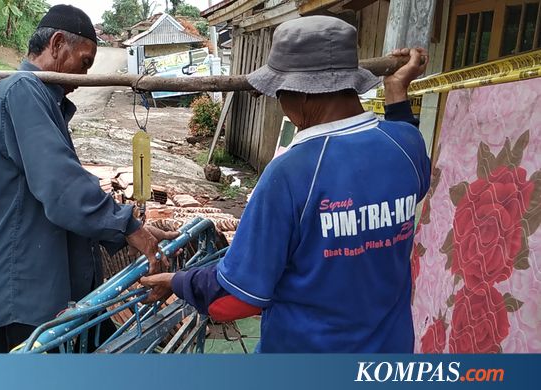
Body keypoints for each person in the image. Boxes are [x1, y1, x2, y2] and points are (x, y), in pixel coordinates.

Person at [140, 16, 431, 353]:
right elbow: (415, 181)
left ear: (301, 95)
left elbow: (233, 301)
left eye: (278, 92)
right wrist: (398, 91)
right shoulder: (406, 144)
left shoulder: (289, 174)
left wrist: (177, 281)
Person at [0, 5, 176, 353]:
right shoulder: (22, 90)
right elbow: (62, 186)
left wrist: (127, 229)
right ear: (57, 43)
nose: (83, 80)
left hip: (39, 288)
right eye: (83, 63)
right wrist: (130, 228)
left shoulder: (37, 97)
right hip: (23, 294)